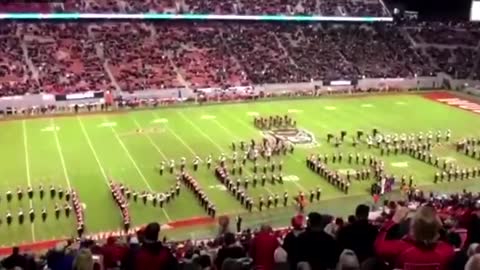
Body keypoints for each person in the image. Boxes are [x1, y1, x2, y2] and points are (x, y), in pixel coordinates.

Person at [374, 205, 455, 269]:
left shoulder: (401, 248)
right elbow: (446, 239)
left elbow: (378, 247)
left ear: (412, 227)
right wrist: (441, 227)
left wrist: (393, 221)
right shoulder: (446, 251)